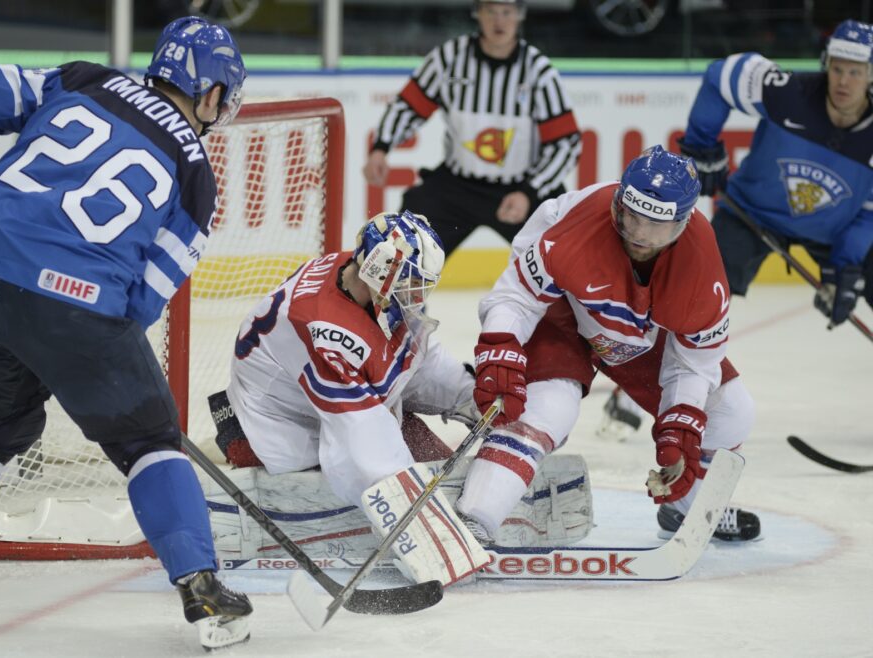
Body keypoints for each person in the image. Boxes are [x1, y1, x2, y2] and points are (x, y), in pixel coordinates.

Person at [0, 17, 252, 651]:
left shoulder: (85, 79)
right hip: (69, 301)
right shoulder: (196, 176)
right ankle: (203, 587)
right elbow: (142, 300)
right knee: (149, 437)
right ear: (209, 93)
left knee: (2, 422)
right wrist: (80, 357)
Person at [459, 145, 761, 544]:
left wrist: (679, 428)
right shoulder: (575, 224)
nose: (638, 233)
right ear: (620, 202)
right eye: (631, 216)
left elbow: (694, 365)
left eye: (655, 226)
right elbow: (517, 295)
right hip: (562, 316)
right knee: (548, 408)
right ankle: (472, 521)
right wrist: (502, 345)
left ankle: (688, 508)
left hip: (640, 335)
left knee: (731, 412)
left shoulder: (701, 272)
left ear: (682, 223)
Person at [600, 19, 873, 439]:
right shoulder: (788, 91)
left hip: (834, 232)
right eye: (837, 67)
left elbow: (870, 211)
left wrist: (846, 267)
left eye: (856, 71)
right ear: (826, 64)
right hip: (754, 214)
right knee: (684, 288)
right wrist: (701, 144)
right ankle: (630, 388)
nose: (844, 80)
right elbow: (718, 77)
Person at [208, 211, 490, 585]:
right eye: (411, 283)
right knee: (414, 482)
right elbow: (362, 439)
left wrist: (471, 396)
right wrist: (427, 537)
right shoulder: (325, 327)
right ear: (381, 268)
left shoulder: (366, 283)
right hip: (271, 435)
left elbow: (412, 358)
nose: (417, 295)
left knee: (433, 469)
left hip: (321, 410)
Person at [362, 0, 581, 257]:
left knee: (561, 257)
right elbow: (409, 106)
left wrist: (529, 192)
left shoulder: (538, 71)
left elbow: (566, 143)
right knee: (405, 245)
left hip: (520, 188)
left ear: (519, 16)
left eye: (506, 12)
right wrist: (381, 148)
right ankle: (400, 295)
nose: (499, 21)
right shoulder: (449, 58)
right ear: (477, 13)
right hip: (457, 188)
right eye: (491, 11)